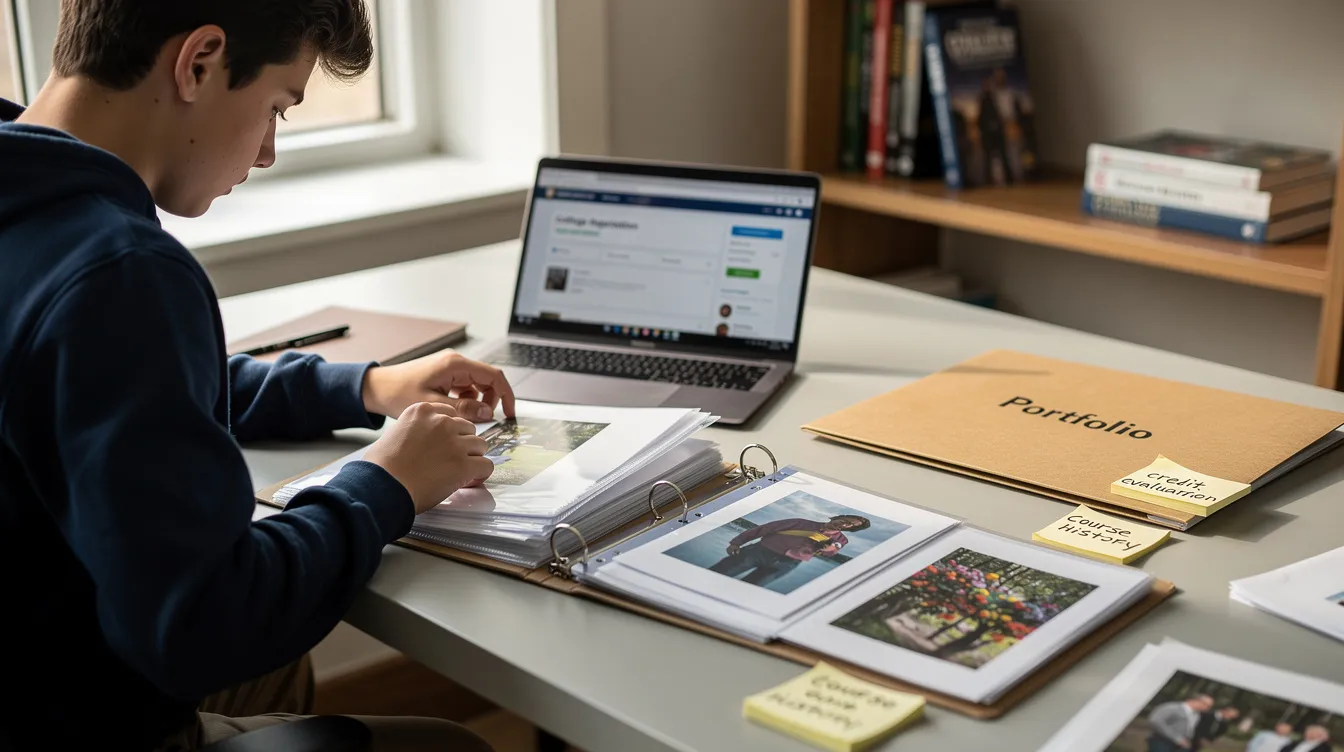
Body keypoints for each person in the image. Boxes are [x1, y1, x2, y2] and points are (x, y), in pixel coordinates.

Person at [0, 1, 515, 750]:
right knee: (455, 747)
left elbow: (116, 390)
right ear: (200, 61)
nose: (269, 150)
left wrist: (364, 388)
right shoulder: (120, 274)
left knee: (281, 665)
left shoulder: (26, 204)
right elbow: (202, 626)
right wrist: (388, 483)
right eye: (277, 106)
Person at [709, 514, 872, 588]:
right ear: (836, 517)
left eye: (850, 525)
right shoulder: (799, 522)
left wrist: (830, 549)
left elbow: (832, 551)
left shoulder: (841, 540)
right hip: (758, 551)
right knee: (717, 574)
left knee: (749, 589)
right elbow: (765, 529)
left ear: (851, 530)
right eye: (844, 520)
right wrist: (737, 542)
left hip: (786, 564)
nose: (844, 524)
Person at [1145, 694, 1214, 752]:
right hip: (1161, 740)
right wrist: (1177, 738)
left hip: (1180, 745)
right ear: (1196, 701)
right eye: (1207, 705)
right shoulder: (1172, 707)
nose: (1207, 708)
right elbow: (1155, 721)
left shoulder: (1197, 715)